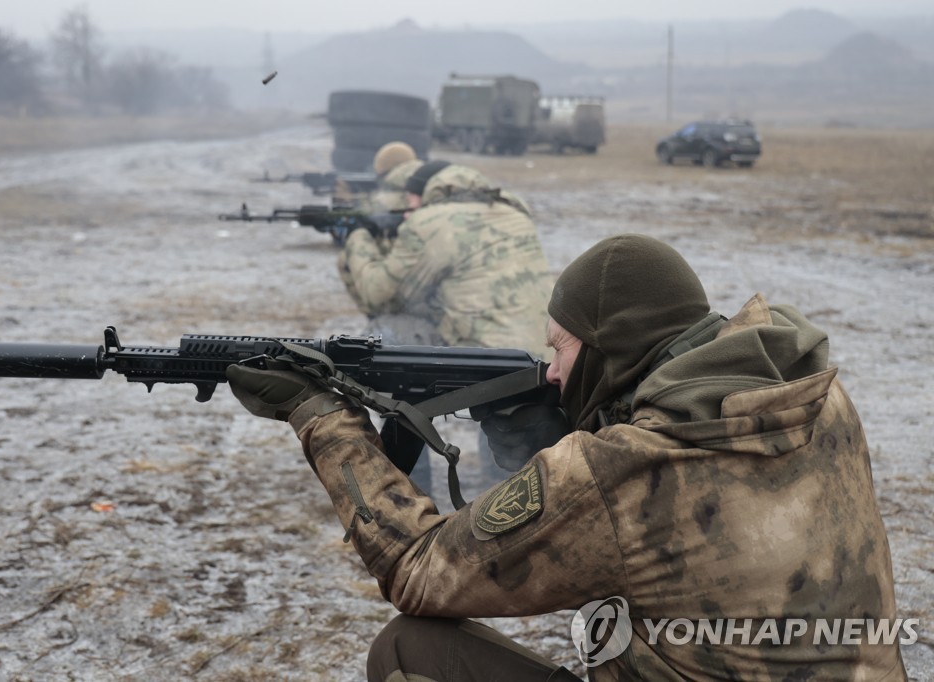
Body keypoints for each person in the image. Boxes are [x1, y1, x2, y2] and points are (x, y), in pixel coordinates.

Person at [226, 233, 906, 681]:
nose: (552, 372)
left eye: (562, 349)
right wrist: (560, 440)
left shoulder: (625, 467)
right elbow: (684, 529)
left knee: (407, 650)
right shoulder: (814, 400)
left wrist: (322, 418)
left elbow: (418, 570)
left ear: (613, 348)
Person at [337, 159, 554, 496]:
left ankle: (411, 486)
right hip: (544, 351)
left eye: (409, 203)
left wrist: (358, 238)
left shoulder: (430, 222)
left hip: (492, 366)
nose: (406, 212)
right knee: (520, 467)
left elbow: (379, 294)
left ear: (422, 195)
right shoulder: (510, 207)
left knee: (395, 342)